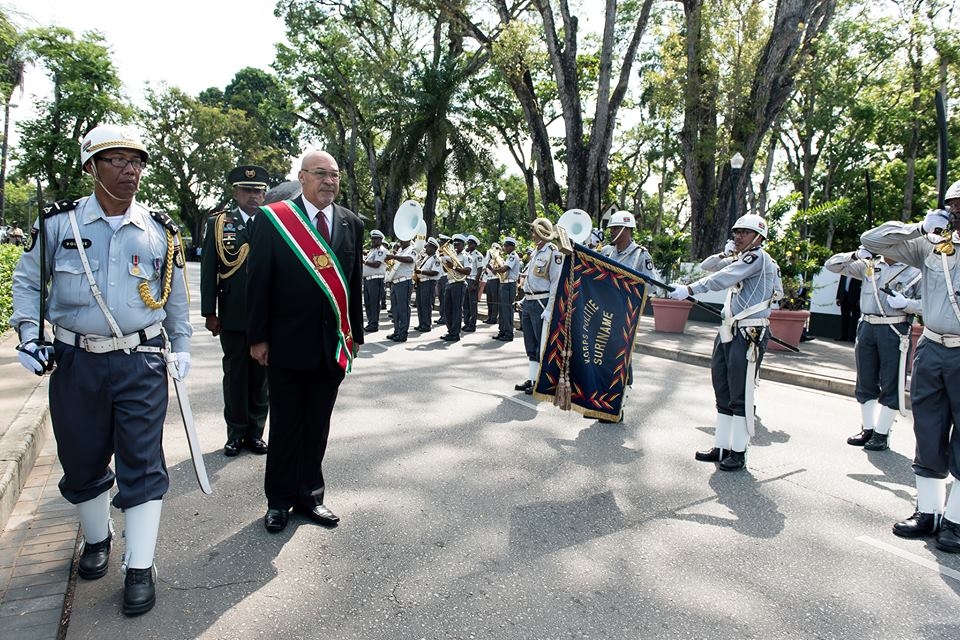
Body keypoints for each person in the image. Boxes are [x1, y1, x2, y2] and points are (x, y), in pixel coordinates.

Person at [10, 124, 191, 616]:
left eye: (136, 161)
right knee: (82, 456)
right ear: (91, 166)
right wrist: (28, 336)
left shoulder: (159, 229)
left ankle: (139, 565)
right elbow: (27, 284)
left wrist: (181, 346)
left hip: (141, 359)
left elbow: (173, 297)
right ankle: (96, 538)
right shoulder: (57, 225)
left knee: (142, 461)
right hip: (75, 360)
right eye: (117, 160)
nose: (130, 169)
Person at [246, 150, 364, 534]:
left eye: (335, 175)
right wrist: (258, 337)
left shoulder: (351, 223)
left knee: (317, 425)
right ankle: (278, 501)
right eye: (320, 174)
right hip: (285, 344)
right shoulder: (275, 220)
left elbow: (355, 285)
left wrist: (356, 335)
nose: (329, 181)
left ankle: (310, 496)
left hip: (332, 345)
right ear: (302, 177)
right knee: (285, 426)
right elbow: (258, 280)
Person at [860, 182, 960, 552]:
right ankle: (929, 511)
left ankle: (956, 520)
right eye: (952, 205)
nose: (956, 210)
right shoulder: (933, 247)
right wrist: (918, 228)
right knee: (928, 429)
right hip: (932, 347)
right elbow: (872, 241)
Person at [668, 214, 782, 471]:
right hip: (730, 329)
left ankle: (738, 451)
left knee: (740, 393)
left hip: (749, 332)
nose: (738, 236)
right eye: (736, 231)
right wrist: (724, 254)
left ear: (759, 237)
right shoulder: (741, 257)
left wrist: (690, 289)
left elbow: (722, 278)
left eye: (745, 232)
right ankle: (721, 446)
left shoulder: (757, 258)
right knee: (722, 389)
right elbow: (710, 267)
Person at [200, 165, 270, 458]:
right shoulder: (219, 224)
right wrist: (209, 312)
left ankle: (256, 432)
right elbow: (209, 271)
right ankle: (236, 433)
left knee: (261, 378)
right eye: (246, 191)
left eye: (257, 191)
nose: (252, 197)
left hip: (267, 315)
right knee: (235, 375)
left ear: (264, 194)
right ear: (236, 192)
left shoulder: (274, 223)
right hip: (233, 313)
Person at [825, 247, 921, 451]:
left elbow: (928, 304)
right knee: (865, 379)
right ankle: (867, 428)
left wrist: (907, 304)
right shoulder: (870, 265)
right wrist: (855, 255)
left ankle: (882, 433)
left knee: (891, 380)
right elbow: (831, 265)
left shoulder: (915, 271)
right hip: (867, 325)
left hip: (894, 327)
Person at [515, 219, 563, 394]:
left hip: (541, 303)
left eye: (535, 232)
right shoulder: (536, 252)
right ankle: (532, 378)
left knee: (540, 344)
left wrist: (550, 309)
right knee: (530, 342)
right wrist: (523, 301)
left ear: (543, 233)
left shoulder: (553, 253)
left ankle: (542, 381)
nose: (532, 235)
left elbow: (556, 283)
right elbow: (530, 278)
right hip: (529, 301)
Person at [438, 234, 473, 342]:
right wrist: (444, 263)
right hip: (450, 282)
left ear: (463, 245)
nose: (456, 246)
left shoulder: (466, 256)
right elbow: (445, 271)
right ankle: (450, 330)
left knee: (456, 309)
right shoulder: (451, 255)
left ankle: (455, 333)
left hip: (459, 283)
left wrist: (453, 266)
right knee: (447, 308)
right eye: (455, 244)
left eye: (458, 244)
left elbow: (468, 271)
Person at [600, 211, 655, 278]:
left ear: (627, 229)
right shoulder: (605, 251)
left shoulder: (641, 256)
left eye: (615, 228)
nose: (611, 231)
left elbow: (651, 286)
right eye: (610, 228)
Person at [386, 237, 417, 342]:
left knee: (403, 309)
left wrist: (394, 256)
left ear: (408, 240)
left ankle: (403, 333)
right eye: (400, 240)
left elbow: (410, 259)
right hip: (395, 282)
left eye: (403, 240)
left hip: (404, 282)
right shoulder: (401, 250)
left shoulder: (412, 249)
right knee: (395, 309)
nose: (400, 242)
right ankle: (397, 331)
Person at [491, 237, 521, 341]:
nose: (505, 248)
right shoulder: (509, 256)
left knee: (507, 310)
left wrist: (495, 270)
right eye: (504, 246)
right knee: (502, 310)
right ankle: (502, 331)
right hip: (504, 284)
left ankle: (509, 333)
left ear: (512, 246)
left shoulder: (513, 256)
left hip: (509, 285)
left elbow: (505, 268)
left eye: (507, 246)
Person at [414, 238, 442, 331]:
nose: (426, 248)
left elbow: (435, 272)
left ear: (434, 248)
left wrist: (421, 271)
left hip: (429, 282)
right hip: (421, 282)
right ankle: (421, 323)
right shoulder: (426, 257)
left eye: (428, 247)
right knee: (420, 304)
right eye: (426, 247)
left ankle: (426, 325)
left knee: (426, 304)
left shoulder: (436, 259)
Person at [362, 230, 387, 332]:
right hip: (368, 280)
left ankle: (374, 324)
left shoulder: (381, 250)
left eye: (376, 239)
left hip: (376, 280)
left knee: (374, 303)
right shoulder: (372, 251)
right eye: (372, 239)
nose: (373, 241)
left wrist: (364, 261)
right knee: (368, 302)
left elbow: (377, 264)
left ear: (381, 240)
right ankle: (370, 322)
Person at [462, 235, 483, 332]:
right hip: (466, 279)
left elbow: (479, 270)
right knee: (465, 303)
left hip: (473, 280)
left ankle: (472, 324)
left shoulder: (478, 255)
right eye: (468, 243)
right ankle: (466, 322)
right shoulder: (466, 254)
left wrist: (475, 283)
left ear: (474, 245)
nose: (468, 245)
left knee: (472, 304)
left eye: (470, 243)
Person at [836, 273, 862, 341]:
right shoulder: (844, 272)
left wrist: (860, 299)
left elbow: (862, 287)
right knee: (844, 317)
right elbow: (841, 284)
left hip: (855, 298)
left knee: (855, 319)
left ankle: (853, 337)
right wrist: (838, 297)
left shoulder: (858, 273)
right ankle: (844, 336)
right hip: (844, 297)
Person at [483, 242, 501, 324]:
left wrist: (489, 267)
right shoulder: (489, 260)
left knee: (494, 300)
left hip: (495, 279)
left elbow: (495, 272)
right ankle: (489, 316)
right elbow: (487, 272)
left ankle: (493, 318)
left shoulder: (499, 259)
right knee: (489, 300)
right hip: (489, 280)